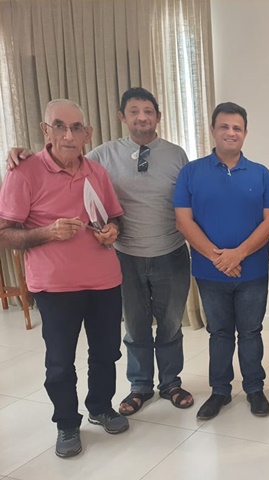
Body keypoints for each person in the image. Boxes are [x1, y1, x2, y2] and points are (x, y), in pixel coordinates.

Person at [6, 88, 193, 415]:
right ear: (122, 117)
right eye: (133, 111)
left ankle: (171, 383)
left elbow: (185, 201)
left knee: (170, 325)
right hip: (125, 258)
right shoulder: (102, 156)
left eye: (148, 111)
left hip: (170, 254)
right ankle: (139, 386)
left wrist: (113, 226)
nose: (141, 117)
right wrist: (20, 153)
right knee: (134, 328)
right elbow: (60, 159)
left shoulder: (177, 155)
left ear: (158, 117)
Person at [0, 99, 128, 458]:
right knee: (60, 361)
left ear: (87, 134)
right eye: (60, 126)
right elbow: (4, 233)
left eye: (76, 128)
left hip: (104, 281)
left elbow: (113, 218)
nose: (68, 135)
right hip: (55, 287)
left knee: (106, 353)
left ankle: (101, 407)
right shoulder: (22, 172)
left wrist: (112, 231)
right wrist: (46, 233)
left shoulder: (96, 172)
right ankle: (67, 424)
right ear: (45, 131)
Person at [173, 102, 269, 420]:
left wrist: (238, 254)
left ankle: (254, 389)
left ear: (245, 133)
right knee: (219, 333)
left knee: (251, 332)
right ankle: (220, 391)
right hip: (210, 273)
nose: (230, 132)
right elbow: (183, 221)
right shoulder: (191, 172)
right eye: (224, 126)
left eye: (237, 127)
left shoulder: (261, 174)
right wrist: (218, 258)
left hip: (252, 271)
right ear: (213, 130)